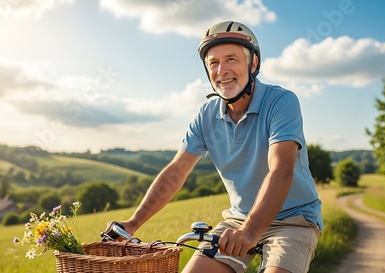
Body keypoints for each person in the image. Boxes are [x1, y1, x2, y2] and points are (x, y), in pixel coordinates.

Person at [107, 21, 323, 273]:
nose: (222, 70)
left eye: (231, 59)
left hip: (293, 220)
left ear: (252, 64)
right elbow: (177, 171)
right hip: (238, 219)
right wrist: (132, 224)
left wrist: (251, 231)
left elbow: (282, 170)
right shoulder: (206, 115)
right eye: (213, 63)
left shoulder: (281, 102)